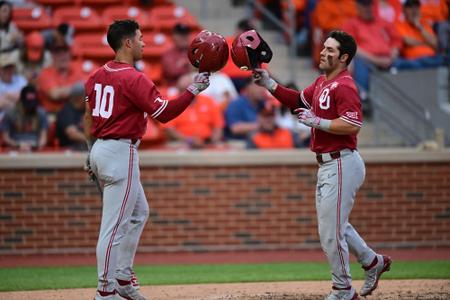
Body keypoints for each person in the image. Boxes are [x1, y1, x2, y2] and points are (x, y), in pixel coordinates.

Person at [253, 30, 392, 300]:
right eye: (324, 48)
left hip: (342, 160)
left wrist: (317, 121)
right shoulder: (321, 82)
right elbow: (297, 101)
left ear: (344, 57)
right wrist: (270, 84)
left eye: (331, 50)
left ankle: (343, 290)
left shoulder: (346, 85)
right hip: (330, 163)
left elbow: (353, 124)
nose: (324, 52)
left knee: (330, 233)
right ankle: (373, 262)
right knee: (335, 226)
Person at [83, 19, 209, 300]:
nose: (143, 43)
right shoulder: (133, 77)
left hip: (100, 148)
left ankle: (123, 278)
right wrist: (193, 89)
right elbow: (163, 113)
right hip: (120, 151)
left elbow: (88, 116)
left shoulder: (96, 75)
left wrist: (90, 152)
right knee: (113, 228)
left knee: (139, 213)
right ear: (127, 42)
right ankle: (105, 292)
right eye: (139, 38)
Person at [341, 0, 401, 101]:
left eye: (370, 4)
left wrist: (392, 55)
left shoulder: (383, 22)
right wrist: (376, 60)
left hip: (389, 59)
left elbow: (396, 41)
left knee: (411, 64)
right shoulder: (351, 24)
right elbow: (352, 47)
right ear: (357, 7)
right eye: (364, 5)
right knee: (358, 63)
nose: (368, 8)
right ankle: (363, 97)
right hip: (366, 60)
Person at [164, 73, 224, 149]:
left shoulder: (208, 101)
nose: (186, 94)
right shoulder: (170, 103)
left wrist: (212, 141)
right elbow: (169, 130)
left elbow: (218, 126)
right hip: (180, 143)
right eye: (183, 90)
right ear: (177, 89)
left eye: (189, 89)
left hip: (207, 142)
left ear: (195, 88)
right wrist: (189, 140)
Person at [37, 41, 86, 116]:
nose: (63, 56)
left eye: (65, 52)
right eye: (58, 53)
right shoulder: (46, 73)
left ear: (69, 54)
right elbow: (55, 94)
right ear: (52, 56)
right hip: (53, 115)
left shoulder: (76, 70)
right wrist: (78, 88)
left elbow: (87, 91)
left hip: (76, 113)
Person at [393, 0, 443, 70]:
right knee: (402, 64)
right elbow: (407, 41)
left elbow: (436, 44)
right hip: (415, 61)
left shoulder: (424, 24)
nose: (414, 11)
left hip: (433, 58)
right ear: (403, 10)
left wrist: (420, 28)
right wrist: (427, 43)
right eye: (410, 7)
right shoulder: (399, 24)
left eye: (416, 7)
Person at [1, 84, 48, 151]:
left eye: (32, 103)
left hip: (35, 146)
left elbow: (44, 137)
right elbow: (5, 137)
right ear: (21, 100)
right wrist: (18, 145)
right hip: (15, 147)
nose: (29, 107)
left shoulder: (41, 113)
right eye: (27, 103)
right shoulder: (10, 113)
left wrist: (39, 145)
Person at [0, 52, 27, 118]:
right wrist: (15, 100)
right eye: (6, 68)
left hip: (20, 118)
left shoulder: (21, 80)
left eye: (11, 67)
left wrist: (6, 95)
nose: (9, 70)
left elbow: (26, 99)